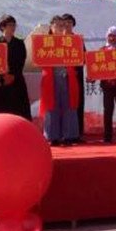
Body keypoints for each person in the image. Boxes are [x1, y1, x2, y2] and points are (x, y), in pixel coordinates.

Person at [39, 16, 80, 146]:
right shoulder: (44, 41)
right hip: (51, 78)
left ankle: (69, 136)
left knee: (69, 106)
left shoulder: (70, 40)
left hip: (67, 78)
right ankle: (52, 136)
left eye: (62, 25)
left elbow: (79, 58)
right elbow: (38, 58)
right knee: (52, 107)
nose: (60, 28)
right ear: (51, 27)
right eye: (57, 25)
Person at [0, 14, 32, 120]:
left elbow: (21, 61)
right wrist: (3, 75)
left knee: (20, 109)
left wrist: (13, 75)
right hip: (1, 81)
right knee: (3, 110)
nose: (13, 27)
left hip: (17, 79)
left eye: (14, 25)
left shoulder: (19, 43)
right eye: (10, 25)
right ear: (2, 26)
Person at [61, 13, 85, 141]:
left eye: (70, 22)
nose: (67, 25)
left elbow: (84, 57)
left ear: (73, 24)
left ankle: (78, 133)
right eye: (65, 22)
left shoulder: (78, 39)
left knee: (77, 103)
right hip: (61, 76)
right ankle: (63, 133)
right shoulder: (57, 40)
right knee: (63, 104)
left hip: (76, 76)